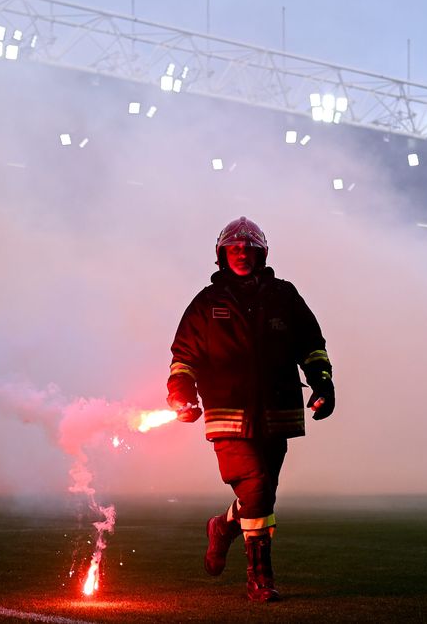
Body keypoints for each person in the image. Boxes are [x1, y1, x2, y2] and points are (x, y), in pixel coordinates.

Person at [166, 216, 335, 602]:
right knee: (256, 485)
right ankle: (260, 577)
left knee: (261, 496)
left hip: (278, 412)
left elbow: (311, 344)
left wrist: (323, 381)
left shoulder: (284, 296)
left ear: (261, 254)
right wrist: (180, 390)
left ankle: (224, 526)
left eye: (249, 248)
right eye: (234, 248)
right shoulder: (207, 303)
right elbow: (184, 357)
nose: (242, 253)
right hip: (227, 413)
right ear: (222, 255)